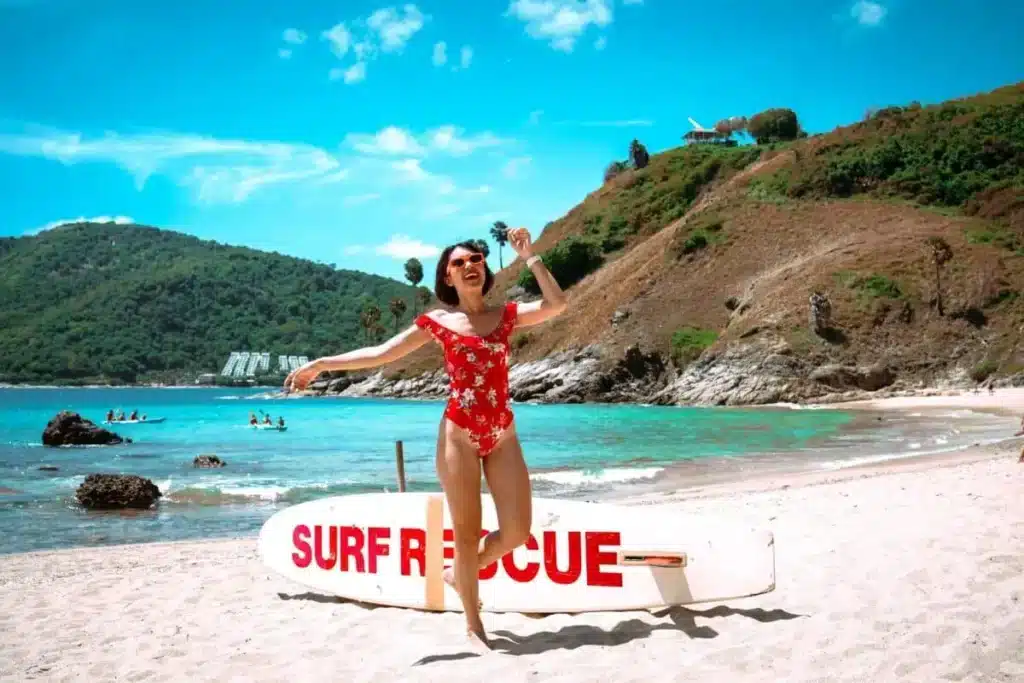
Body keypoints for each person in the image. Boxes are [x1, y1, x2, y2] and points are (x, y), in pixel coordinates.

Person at [283, 227, 566, 647]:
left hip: (502, 432)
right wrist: (323, 364)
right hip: (460, 436)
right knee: (466, 534)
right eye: (458, 263)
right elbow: (382, 353)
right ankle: (474, 626)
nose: (469, 266)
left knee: (517, 532)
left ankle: (459, 572)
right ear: (447, 277)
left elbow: (557, 304)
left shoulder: (506, 315)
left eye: (476, 260)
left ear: (484, 270)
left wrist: (530, 255)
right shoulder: (437, 322)